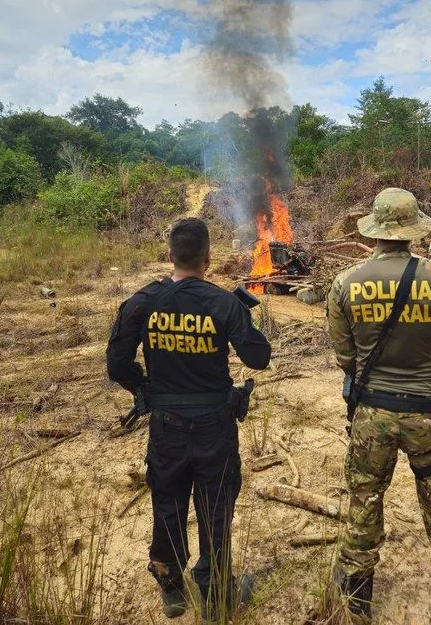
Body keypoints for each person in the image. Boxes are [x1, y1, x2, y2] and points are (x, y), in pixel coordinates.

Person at [327, 188, 431, 625]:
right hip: (426, 414)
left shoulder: (345, 281)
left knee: (364, 498)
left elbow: (345, 358)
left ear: (375, 230)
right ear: (414, 228)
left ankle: (357, 595)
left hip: (370, 415)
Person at [107, 218, 271, 622]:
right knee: (215, 507)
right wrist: (247, 318)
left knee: (168, 501)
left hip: (167, 427)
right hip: (215, 427)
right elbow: (258, 358)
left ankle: (172, 589)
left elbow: (117, 364)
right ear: (208, 258)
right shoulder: (222, 303)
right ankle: (215, 598)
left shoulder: (144, 301)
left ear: (169, 256)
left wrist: (146, 387)